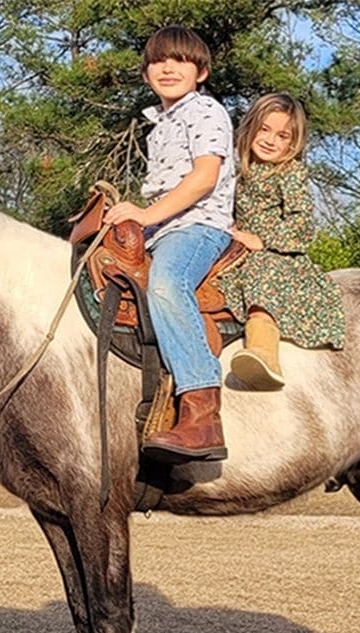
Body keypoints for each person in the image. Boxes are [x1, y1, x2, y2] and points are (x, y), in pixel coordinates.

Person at [104, 26, 234, 463]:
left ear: (201, 72)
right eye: (158, 61)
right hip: (165, 228)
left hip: (199, 227)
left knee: (166, 284)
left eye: (179, 61)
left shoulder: (205, 111)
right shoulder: (160, 124)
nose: (167, 68)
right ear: (145, 75)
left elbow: (204, 178)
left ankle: (202, 413)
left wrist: (143, 215)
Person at [219, 93, 345, 389]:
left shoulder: (290, 173)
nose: (270, 140)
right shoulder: (241, 175)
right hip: (241, 251)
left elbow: (303, 225)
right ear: (250, 129)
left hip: (275, 254)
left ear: (292, 144)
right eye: (264, 129)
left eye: (281, 135)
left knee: (262, 280)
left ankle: (264, 354)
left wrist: (262, 240)